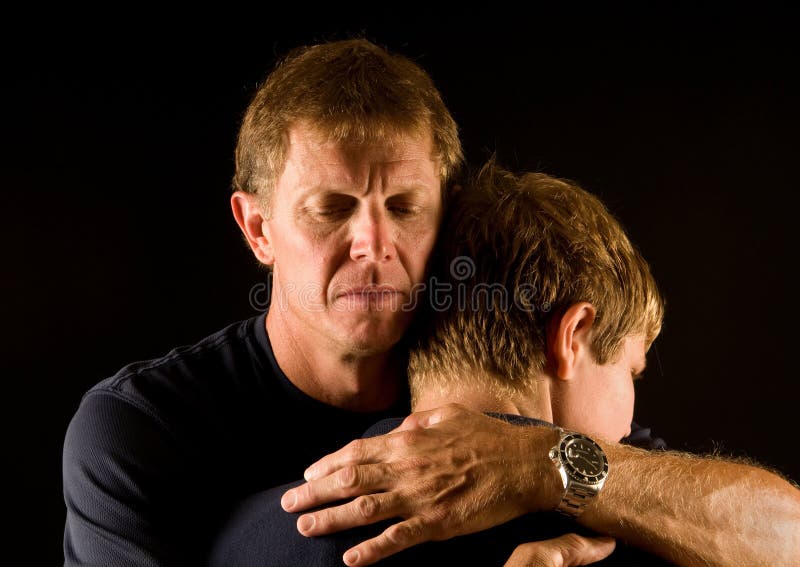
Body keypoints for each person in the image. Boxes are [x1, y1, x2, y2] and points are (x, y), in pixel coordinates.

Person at [62, 38, 800, 567]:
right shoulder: (142, 429)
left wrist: (537, 463)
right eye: (333, 208)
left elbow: (785, 532)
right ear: (258, 227)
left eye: (407, 205)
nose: (375, 243)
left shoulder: (513, 411)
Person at [207, 162, 673, 566]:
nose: (632, 423)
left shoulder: (244, 538)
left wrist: (537, 460)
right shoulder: (623, 544)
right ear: (571, 336)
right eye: (631, 372)